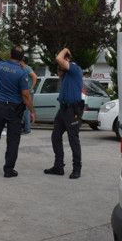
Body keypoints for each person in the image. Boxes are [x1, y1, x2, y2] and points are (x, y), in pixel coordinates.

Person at [0, 46, 35, 178]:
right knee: (13, 141)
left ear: (10, 54)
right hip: (14, 110)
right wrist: (32, 111)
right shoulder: (22, 73)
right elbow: (25, 94)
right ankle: (8, 170)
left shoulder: (0, 66)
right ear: (21, 58)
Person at [44, 48, 84, 179]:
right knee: (55, 136)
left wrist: (65, 49)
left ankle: (77, 168)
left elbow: (58, 58)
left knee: (73, 140)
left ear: (66, 58)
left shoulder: (75, 68)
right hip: (63, 109)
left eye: (61, 61)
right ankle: (58, 166)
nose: (58, 64)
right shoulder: (67, 73)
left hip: (72, 110)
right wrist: (61, 73)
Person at [19, 57, 37, 134]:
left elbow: (34, 77)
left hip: (28, 93)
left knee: (26, 110)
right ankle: (24, 127)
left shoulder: (27, 68)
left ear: (22, 61)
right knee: (24, 110)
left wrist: (31, 88)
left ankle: (27, 128)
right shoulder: (23, 69)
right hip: (24, 92)